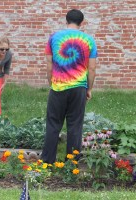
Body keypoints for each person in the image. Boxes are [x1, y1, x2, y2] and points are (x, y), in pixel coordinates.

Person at [41, 9, 97, 164]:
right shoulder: (89, 40)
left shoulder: (54, 37)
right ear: (82, 22)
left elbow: (48, 64)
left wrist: (51, 83)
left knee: (53, 124)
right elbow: (92, 69)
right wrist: (89, 89)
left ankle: (47, 161)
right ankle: (72, 163)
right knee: (75, 126)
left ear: (66, 20)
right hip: (78, 87)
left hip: (58, 87)